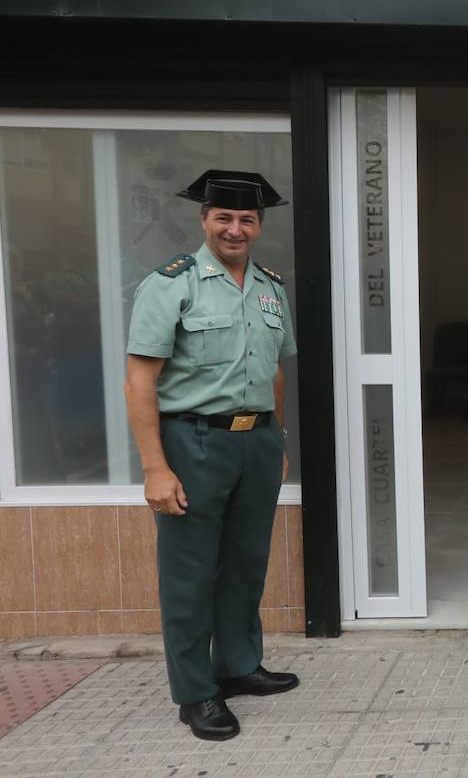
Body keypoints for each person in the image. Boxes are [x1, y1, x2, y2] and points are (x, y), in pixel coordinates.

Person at [124, 170, 299, 741]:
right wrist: (155, 467)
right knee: (190, 573)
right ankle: (197, 692)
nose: (235, 228)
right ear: (204, 220)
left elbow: (274, 369)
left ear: (259, 226)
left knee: (246, 564)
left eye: (246, 219)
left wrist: (278, 440)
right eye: (223, 217)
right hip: (193, 442)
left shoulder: (271, 288)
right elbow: (139, 380)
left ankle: (239, 665)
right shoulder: (171, 284)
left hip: (256, 442)